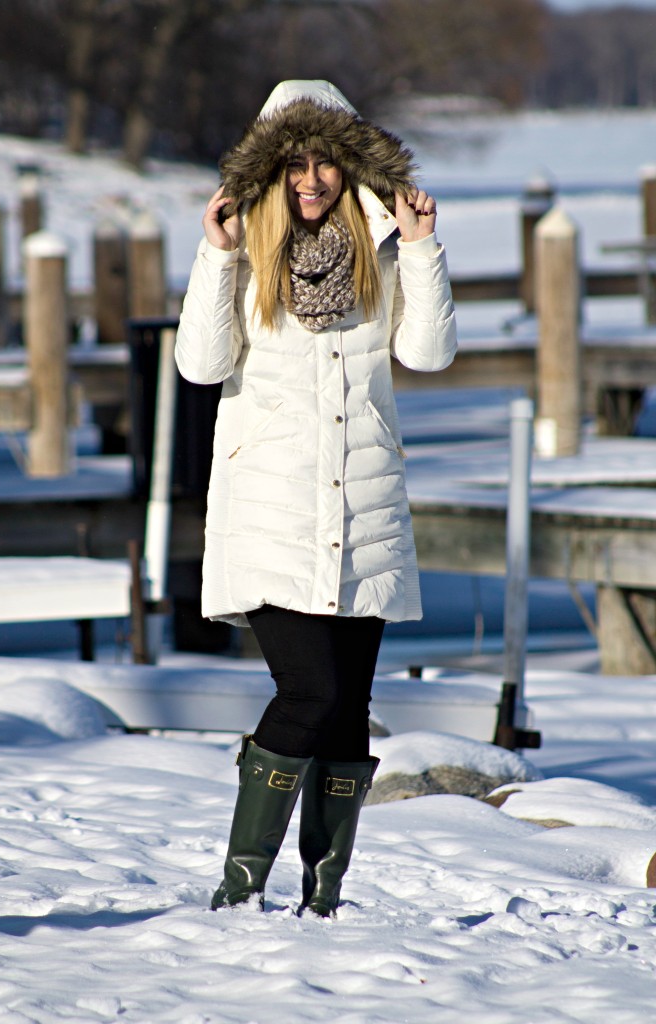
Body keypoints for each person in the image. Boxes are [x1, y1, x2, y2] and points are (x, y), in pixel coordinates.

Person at [175, 80, 457, 917]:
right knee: (311, 695)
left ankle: (322, 899)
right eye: (292, 162)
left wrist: (424, 247)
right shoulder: (243, 253)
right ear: (269, 169)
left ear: (349, 163)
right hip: (271, 516)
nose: (310, 178)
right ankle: (238, 888)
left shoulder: (384, 250)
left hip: (363, 512)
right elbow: (199, 364)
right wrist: (219, 254)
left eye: (325, 159)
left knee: (350, 712)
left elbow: (430, 354)